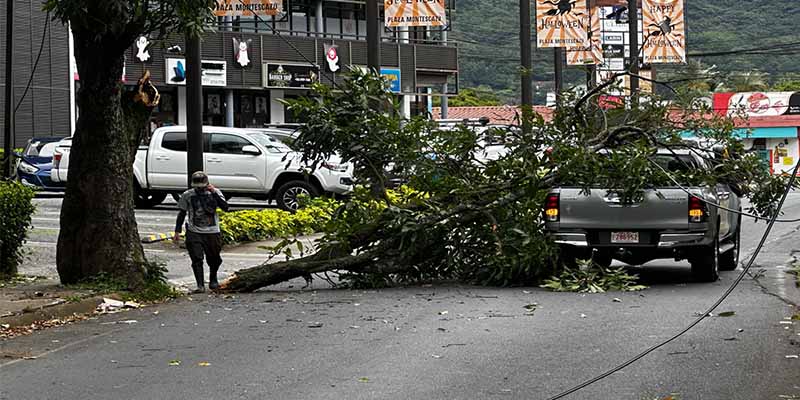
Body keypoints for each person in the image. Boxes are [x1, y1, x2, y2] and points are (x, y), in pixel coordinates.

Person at [173, 171, 229, 293]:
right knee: (197, 258)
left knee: (214, 258)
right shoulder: (187, 195)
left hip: (212, 231)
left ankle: (213, 278)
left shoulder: (215, 192)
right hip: (194, 231)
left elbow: (225, 207)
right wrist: (177, 231)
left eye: (202, 187)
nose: (200, 189)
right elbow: (181, 213)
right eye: (197, 187)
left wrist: (213, 193)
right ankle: (200, 285)